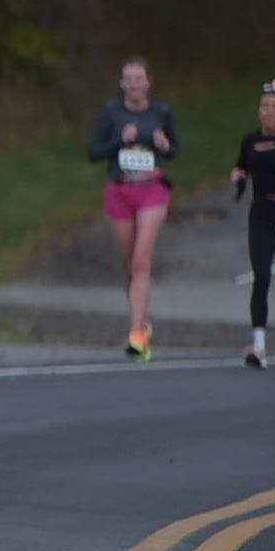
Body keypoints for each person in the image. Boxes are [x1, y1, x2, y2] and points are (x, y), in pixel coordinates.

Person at [87, 57, 177, 360]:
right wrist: (118, 141)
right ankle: (142, 322)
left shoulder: (161, 112)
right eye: (129, 79)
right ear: (121, 84)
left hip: (152, 189)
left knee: (141, 261)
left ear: (148, 82)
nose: (134, 85)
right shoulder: (111, 112)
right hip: (119, 190)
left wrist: (163, 145)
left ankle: (136, 335)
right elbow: (93, 153)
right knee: (128, 266)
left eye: (139, 79)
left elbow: (174, 150)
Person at [229, 79, 275, 369]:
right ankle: (258, 345)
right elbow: (242, 165)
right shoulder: (251, 141)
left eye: (274, 107)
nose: (269, 111)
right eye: (265, 106)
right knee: (261, 276)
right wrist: (237, 175)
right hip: (261, 213)